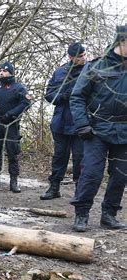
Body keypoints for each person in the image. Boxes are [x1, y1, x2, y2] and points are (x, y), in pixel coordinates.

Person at [69, 25, 127, 232]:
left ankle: (109, 215)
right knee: (92, 173)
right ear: (122, 41)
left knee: (120, 175)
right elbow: (77, 97)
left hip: (124, 131)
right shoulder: (96, 66)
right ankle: (82, 214)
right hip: (96, 129)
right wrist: (82, 124)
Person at [40, 43, 86, 200]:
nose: (83, 58)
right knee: (59, 157)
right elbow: (49, 95)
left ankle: (79, 192)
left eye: (84, 54)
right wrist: (63, 96)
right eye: (80, 56)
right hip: (61, 121)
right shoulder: (60, 72)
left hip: (81, 123)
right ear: (71, 57)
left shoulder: (89, 71)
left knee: (80, 158)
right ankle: (54, 188)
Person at [0, 62, 31, 193]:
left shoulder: (18, 87)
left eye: (4, 70)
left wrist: (11, 114)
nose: (1, 73)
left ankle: (13, 181)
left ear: (11, 72)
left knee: (12, 152)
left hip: (11, 123)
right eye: (0, 70)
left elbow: (26, 103)